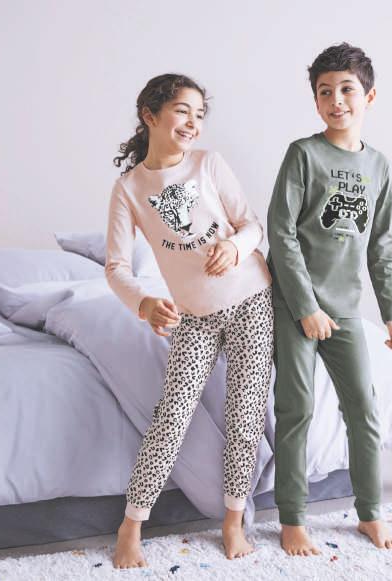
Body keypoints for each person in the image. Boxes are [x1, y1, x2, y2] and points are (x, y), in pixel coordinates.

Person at [104, 73, 274, 567]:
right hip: (194, 317)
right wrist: (143, 303)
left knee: (245, 416)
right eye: (182, 110)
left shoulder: (208, 164)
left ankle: (233, 521)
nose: (193, 122)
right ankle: (131, 526)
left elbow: (252, 224)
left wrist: (234, 246)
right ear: (150, 115)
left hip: (250, 299)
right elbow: (116, 267)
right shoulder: (130, 189)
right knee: (172, 416)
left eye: (199, 114)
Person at [267, 43, 392, 556]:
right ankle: (292, 518)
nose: (336, 100)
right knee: (297, 407)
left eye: (346, 89)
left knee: (364, 409)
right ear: (316, 101)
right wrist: (306, 307)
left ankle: (370, 512)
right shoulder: (303, 155)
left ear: (369, 96)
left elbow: (381, 244)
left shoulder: (378, 165)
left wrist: (391, 312)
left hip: (345, 308)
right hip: (295, 304)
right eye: (324, 92)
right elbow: (281, 233)